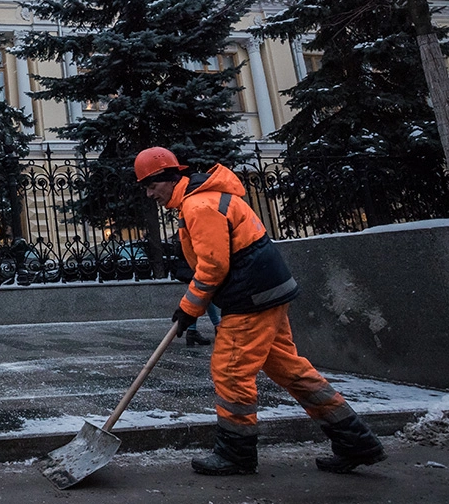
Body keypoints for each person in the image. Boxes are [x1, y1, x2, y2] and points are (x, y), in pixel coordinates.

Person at [134, 146, 385, 476]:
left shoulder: (199, 204)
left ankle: (235, 454)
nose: (150, 194)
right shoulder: (204, 197)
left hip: (250, 297)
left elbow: (214, 266)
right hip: (268, 291)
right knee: (290, 370)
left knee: (231, 371)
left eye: (152, 186)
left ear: (169, 177)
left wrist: (188, 309)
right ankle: (356, 441)